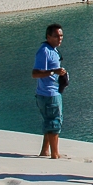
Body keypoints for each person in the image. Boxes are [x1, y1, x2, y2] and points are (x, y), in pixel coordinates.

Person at [32, 24, 65, 158]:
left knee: (49, 121)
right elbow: (35, 73)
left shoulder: (53, 50)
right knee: (54, 122)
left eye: (61, 36)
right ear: (48, 37)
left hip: (52, 92)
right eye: (56, 36)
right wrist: (54, 71)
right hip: (48, 94)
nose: (59, 38)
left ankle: (45, 151)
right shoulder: (44, 51)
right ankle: (55, 154)